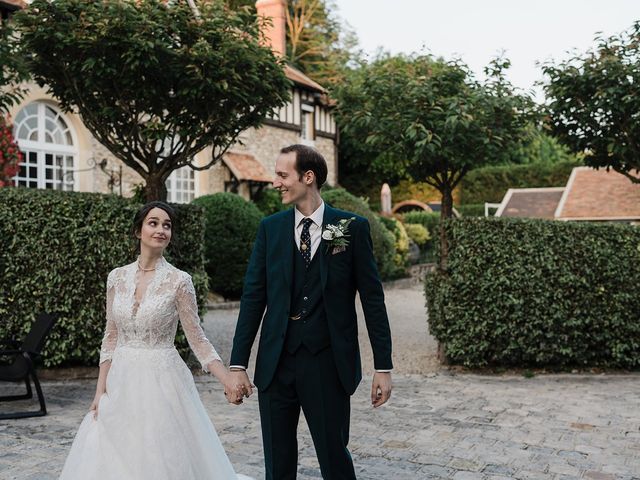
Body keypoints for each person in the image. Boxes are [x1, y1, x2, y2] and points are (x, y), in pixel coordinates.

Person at [228, 144, 393, 479]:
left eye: (281, 175)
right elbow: (253, 297)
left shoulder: (348, 227)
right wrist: (237, 363)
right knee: (278, 464)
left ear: (308, 177)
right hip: (276, 364)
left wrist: (383, 366)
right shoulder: (270, 229)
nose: (275, 183)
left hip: (327, 363)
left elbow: (372, 300)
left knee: (334, 460)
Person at [59, 201, 251, 480]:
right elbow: (110, 337)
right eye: (153, 222)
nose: (161, 229)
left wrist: (227, 379)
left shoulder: (179, 281)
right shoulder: (116, 278)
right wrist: (99, 391)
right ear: (138, 231)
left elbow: (198, 340)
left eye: (167, 225)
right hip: (121, 381)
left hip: (163, 382)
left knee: (160, 453)